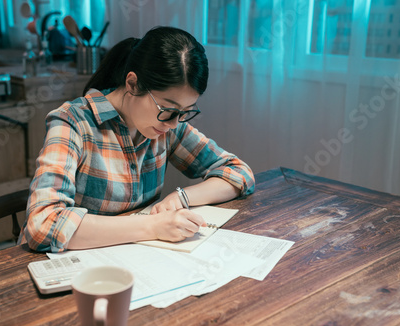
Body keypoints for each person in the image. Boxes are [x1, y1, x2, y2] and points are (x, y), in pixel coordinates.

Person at [18, 26, 255, 252]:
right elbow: (43, 224)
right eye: (168, 109)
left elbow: (239, 173)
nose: (174, 123)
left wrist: (182, 197)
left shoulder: (167, 126)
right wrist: (152, 226)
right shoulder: (73, 122)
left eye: (185, 112)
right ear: (132, 83)